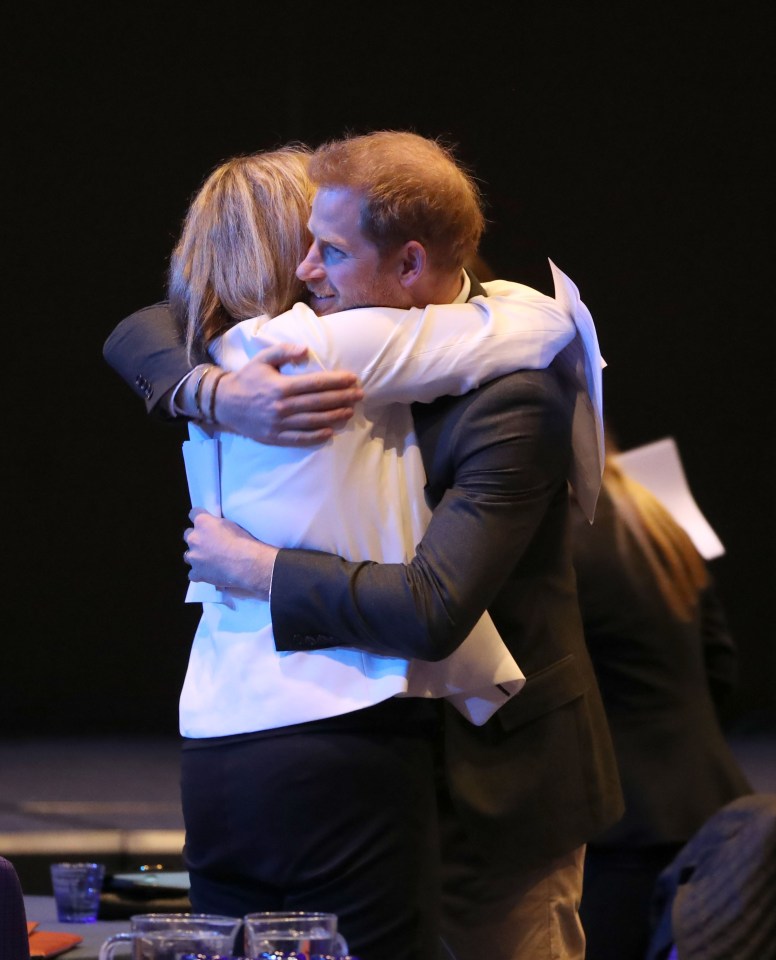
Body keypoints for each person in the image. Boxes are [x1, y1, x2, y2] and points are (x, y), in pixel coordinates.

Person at [105, 134, 595, 959]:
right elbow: (142, 329)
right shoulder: (295, 350)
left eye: (328, 249)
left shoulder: (501, 385)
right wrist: (212, 388)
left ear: (405, 263)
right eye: (303, 246)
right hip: (364, 746)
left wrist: (259, 570)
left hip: (491, 781)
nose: (309, 273)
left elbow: (433, 606)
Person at [570, 434, 752, 960]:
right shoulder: (652, 512)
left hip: (624, 830)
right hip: (713, 805)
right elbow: (720, 664)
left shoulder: (560, 536)